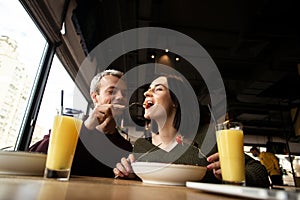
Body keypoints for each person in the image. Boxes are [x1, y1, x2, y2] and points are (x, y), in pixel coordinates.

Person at [113, 75, 270, 188]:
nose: (147, 93)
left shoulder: (207, 137)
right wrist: (131, 175)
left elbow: (260, 172)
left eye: (158, 89)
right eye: (148, 90)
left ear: (176, 101)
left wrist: (235, 171)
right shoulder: (141, 145)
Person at [30, 69, 133, 177]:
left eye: (124, 94)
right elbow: (36, 156)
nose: (121, 97)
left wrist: (129, 175)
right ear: (95, 97)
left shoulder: (125, 146)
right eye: (111, 91)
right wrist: (87, 126)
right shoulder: (69, 126)